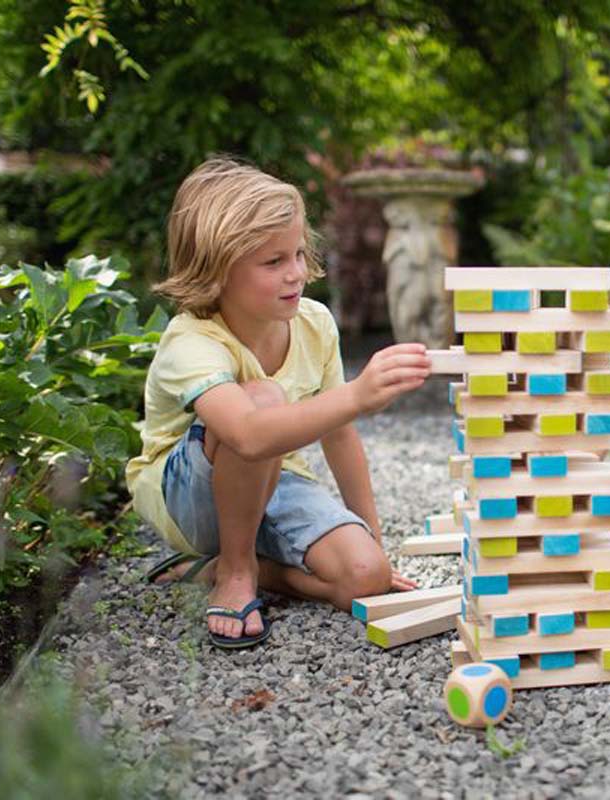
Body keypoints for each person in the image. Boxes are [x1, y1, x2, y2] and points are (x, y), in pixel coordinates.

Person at [126, 157, 430, 648]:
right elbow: (247, 433)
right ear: (217, 269)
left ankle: (227, 569)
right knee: (263, 402)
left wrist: (373, 541)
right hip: (188, 496)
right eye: (273, 262)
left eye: (298, 254)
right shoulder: (193, 341)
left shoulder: (313, 324)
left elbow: (339, 436)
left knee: (365, 575)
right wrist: (356, 395)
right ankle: (236, 570)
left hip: (275, 482)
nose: (296, 274)